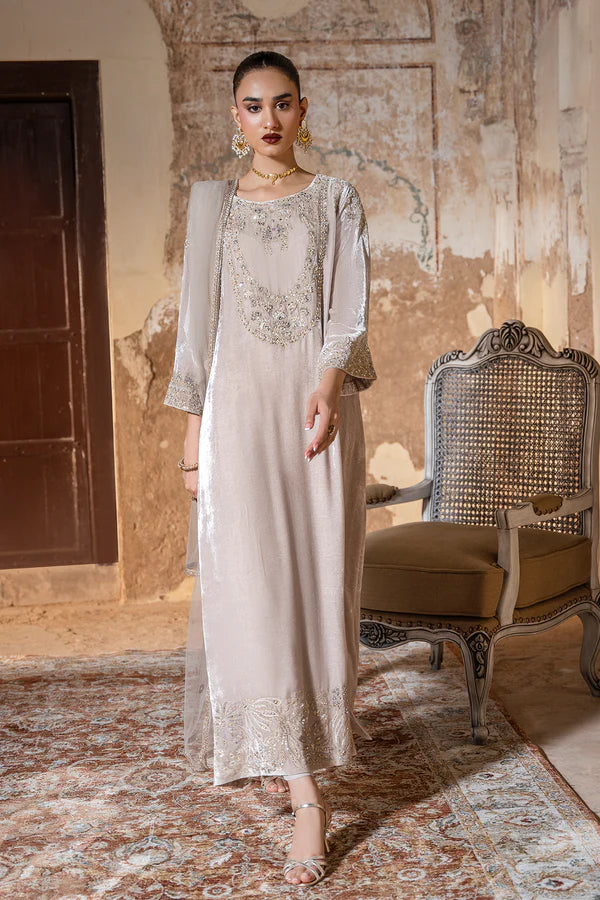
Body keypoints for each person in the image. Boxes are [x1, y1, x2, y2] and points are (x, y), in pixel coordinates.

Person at [164, 50, 377, 886]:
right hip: (237, 422)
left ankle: (304, 758)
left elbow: (348, 310)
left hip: (314, 421)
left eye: (282, 103)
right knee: (250, 591)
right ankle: (305, 791)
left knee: (315, 589)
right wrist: (193, 445)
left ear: (302, 109)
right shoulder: (212, 209)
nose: (269, 119)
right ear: (235, 117)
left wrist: (327, 386)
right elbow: (196, 334)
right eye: (253, 106)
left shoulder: (336, 198)